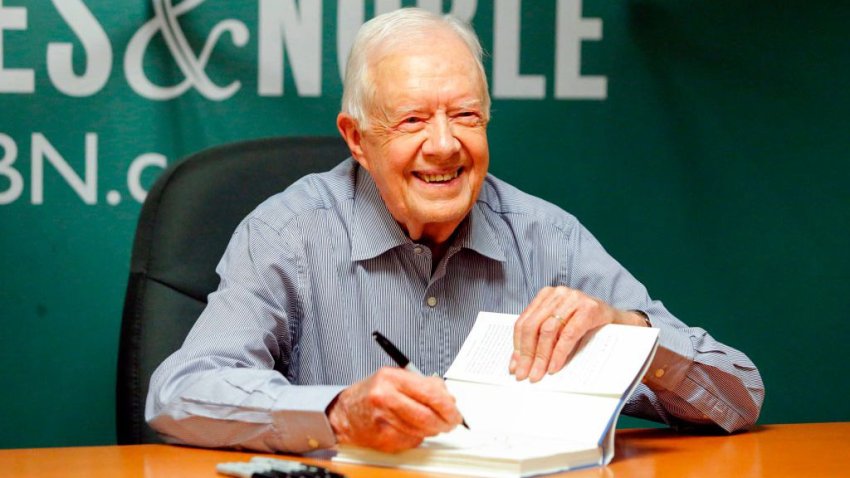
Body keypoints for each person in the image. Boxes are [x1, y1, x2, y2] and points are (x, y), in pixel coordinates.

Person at [146, 8, 764, 454]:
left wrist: (633, 336)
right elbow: (180, 393)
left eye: (466, 115)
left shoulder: (546, 237)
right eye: (413, 119)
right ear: (357, 139)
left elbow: (740, 398)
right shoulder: (288, 234)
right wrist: (337, 413)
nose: (444, 145)